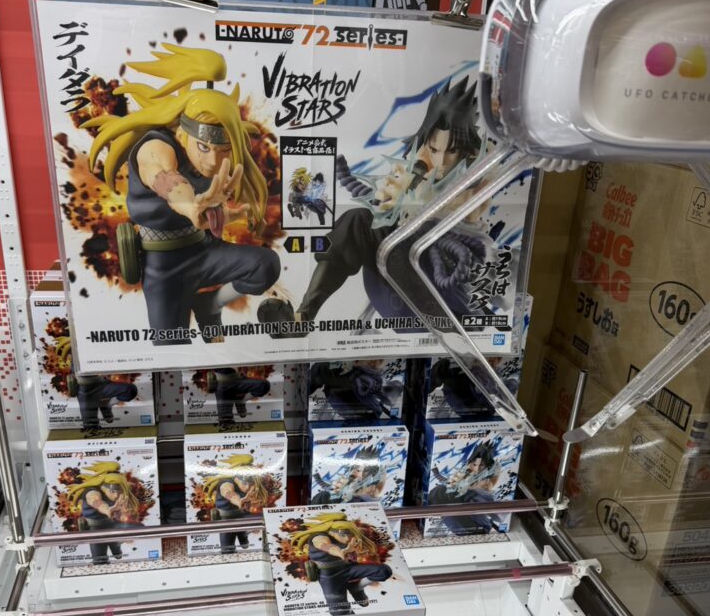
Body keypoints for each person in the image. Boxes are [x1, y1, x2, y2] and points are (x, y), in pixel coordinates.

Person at [83, 44, 281, 345]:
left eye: (223, 150)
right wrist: (190, 206)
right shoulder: (156, 146)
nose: (213, 161)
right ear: (182, 134)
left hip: (204, 251)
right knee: (171, 346)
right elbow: (164, 177)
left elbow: (205, 209)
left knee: (265, 265)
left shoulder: (219, 157)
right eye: (204, 148)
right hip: (164, 266)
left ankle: (210, 304)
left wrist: (230, 215)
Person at [259, 76, 481, 332]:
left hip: (439, 294)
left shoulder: (476, 180)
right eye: (434, 148)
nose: (440, 161)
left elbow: (467, 217)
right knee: (358, 220)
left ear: (466, 150)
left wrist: (428, 188)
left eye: (451, 151)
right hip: (397, 279)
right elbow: (385, 205)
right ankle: (303, 318)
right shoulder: (416, 170)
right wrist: (413, 177)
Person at [291, 511, 393, 615]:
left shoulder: (350, 537)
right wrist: (340, 552)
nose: (347, 538)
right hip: (329, 576)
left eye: (349, 534)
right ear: (332, 531)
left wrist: (356, 550)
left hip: (348, 568)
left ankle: (356, 587)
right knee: (339, 611)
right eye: (343, 534)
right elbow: (326, 546)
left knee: (383, 571)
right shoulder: (318, 537)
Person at [66, 461, 141, 565]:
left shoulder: (120, 487)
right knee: (100, 558)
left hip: (111, 524)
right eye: (113, 491)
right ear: (104, 487)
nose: (116, 495)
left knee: (117, 550)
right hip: (94, 528)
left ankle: (116, 550)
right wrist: (108, 510)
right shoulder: (92, 492)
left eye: (118, 491)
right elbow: (96, 502)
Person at [200, 453, 275, 553]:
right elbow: (229, 493)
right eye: (245, 483)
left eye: (250, 484)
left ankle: (245, 537)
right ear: (237, 478)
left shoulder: (251, 481)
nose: (247, 488)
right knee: (227, 548)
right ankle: (236, 542)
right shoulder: (226, 482)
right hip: (226, 518)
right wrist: (239, 501)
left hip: (243, 515)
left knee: (261, 521)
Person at [428, 442, 503, 535]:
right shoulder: (464, 475)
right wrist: (436, 472)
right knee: (439, 491)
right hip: (459, 512)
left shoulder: (486, 482)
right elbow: (447, 483)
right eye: (475, 464)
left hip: (475, 515)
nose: (477, 469)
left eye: (481, 465)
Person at [309, 360, 393, 420]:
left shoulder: (372, 377)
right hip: (348, 412)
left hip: (369, 415)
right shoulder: (326, 368)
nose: (374, 364)